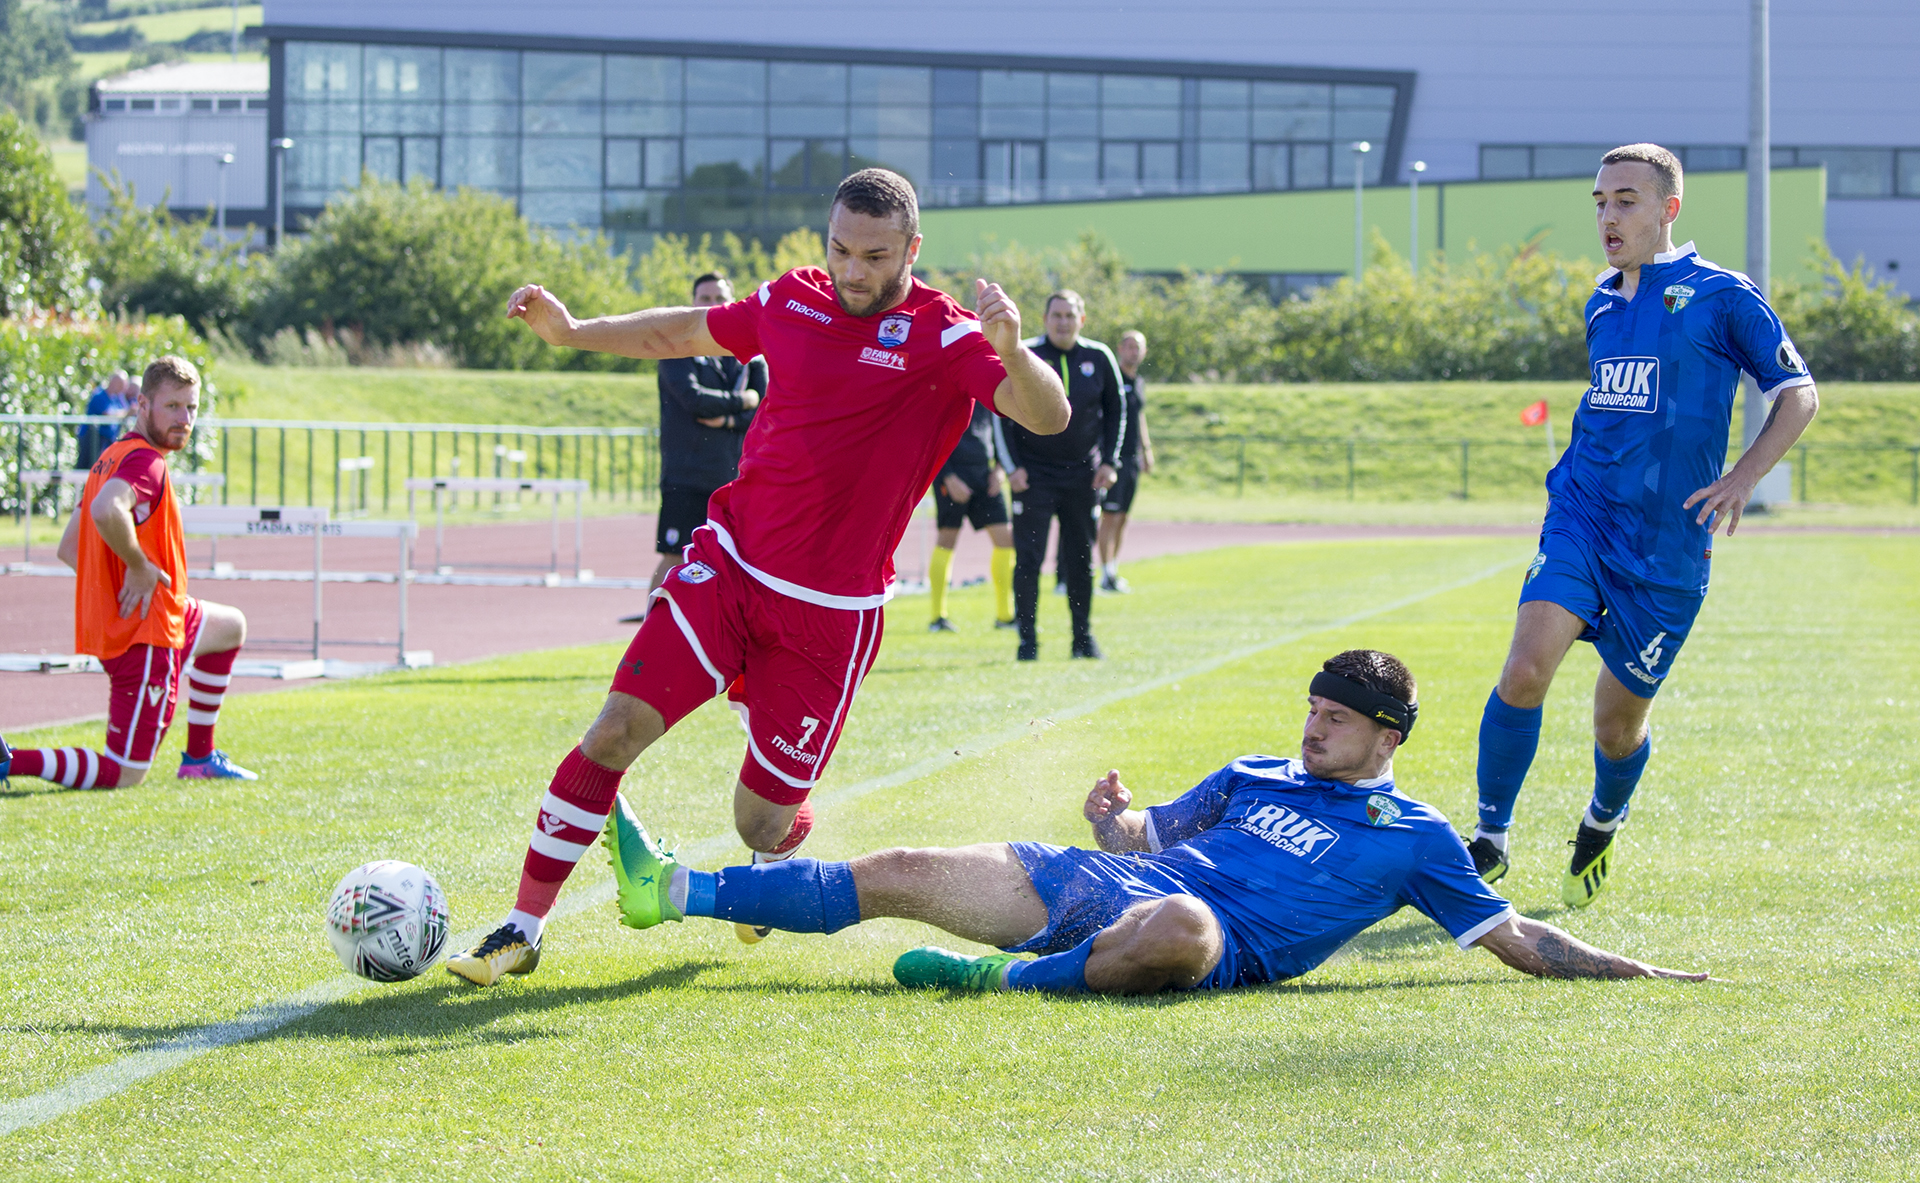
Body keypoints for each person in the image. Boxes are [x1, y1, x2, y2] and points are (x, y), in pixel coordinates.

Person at [445, 168, 1069, 986]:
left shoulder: (947, 335)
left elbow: (1047, 414)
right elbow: (684, 332)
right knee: (613, 730)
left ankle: (766, 851)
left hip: (830, 618)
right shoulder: (794, 299)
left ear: (912, 249)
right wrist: (572, 331)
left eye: (875, 255)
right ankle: (521, 928)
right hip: (730, 564)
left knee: (762, 821)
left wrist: (1014, 350)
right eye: (840, 249)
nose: (852, 270)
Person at [602, 649, 1707, 994]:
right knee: (893, 864)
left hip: (1198, 943)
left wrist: (1636, 972)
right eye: (1312, 712)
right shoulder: (1256, 771)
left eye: (1336, 719)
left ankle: (998, 982)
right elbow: (1151, 840)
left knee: (1183, 922)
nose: (1313, 731)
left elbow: (1517, 935)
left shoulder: (1415, 836)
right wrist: (1117, 817)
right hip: (1102, 889)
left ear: (1387, 737)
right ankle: (679, 892)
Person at [1467, 143, 1819, 907]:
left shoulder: (1724, 295)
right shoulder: (1601, 299)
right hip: (1584, 516)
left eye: (1625, 199)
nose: (1607, 215)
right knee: (1526, 668)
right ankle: (1488, 840)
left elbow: (1797, 392)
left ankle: (1603, 815)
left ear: (1669, 208)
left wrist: (1744, 476)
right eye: (1599, 201)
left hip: (1666, 548)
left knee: (1616, 725)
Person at [0, 357, 257, 791]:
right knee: (124, 775)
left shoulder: (111, 457)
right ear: (142, 404)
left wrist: (120, 579)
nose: (184, 419)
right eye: (172, 406)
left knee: (230, 626)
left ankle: (199, 758)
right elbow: (106, 511)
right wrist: (137, 568)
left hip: (160, 614)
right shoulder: (146, 463)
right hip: (146, 637)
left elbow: (68, 547)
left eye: (191, 408)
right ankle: (9, 760)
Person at [623, 271, 767, 622]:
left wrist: (733, 417)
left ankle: (718, 630)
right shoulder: (677, 350)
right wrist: (741, 401)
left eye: (719, 297)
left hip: (733, 478)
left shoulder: (749, 357)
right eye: (704, 298)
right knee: (674, 555)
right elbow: (694, 401)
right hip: (685, 475)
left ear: (732, 301)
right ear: (693, 303)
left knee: (734, 561)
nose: (712, 304)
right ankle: (652, 628)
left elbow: (767, 406)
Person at [1001, 291, 1124, 662]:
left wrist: (1110, 462)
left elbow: (1117, 412)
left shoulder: (1099, 357)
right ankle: (1027, 642)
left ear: (1081, 320)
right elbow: (1000, 410)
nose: (1063, 321)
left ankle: (1082, 639)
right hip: (1033, 477)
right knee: (1028, 560)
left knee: (1080, 561)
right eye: (1056, 315)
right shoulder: (1025, 353)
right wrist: (1012, 467)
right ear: (1045, 317)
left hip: (1083, 478)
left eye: (1070, 315)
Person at [927, 400, 1016, 633]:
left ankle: (1005, 616)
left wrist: (999, 470)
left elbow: (1001, 434)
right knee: (947, 539)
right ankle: (938, 617)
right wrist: (947, 476)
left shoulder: (990, 393)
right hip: (952, 476)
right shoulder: (946, 392)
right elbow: (931, 436)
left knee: (1005, 540)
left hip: (985, 477)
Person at [1096, 330, 1154, 593]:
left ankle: (1114, 570)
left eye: (1137, 347)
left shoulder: (1138, 381)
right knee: (1109, 515)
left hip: (1132, 458)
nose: (1133, 351)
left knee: (1123, 517)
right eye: (1129, 346)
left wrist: (1147, 450)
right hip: (1113, 458)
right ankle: (1103, 572)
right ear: (1120, 349)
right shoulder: (1112, 379)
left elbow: (1139, 417)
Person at [76, 370, 133, 471]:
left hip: (108, 441)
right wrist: (126, 413)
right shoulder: (99, 395)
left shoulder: (118, 398)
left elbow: (127, 410)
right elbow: (108, 414)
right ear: (114, 383)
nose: (124, 388)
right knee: (87, 468)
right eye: (122, 385)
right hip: (92, 440)